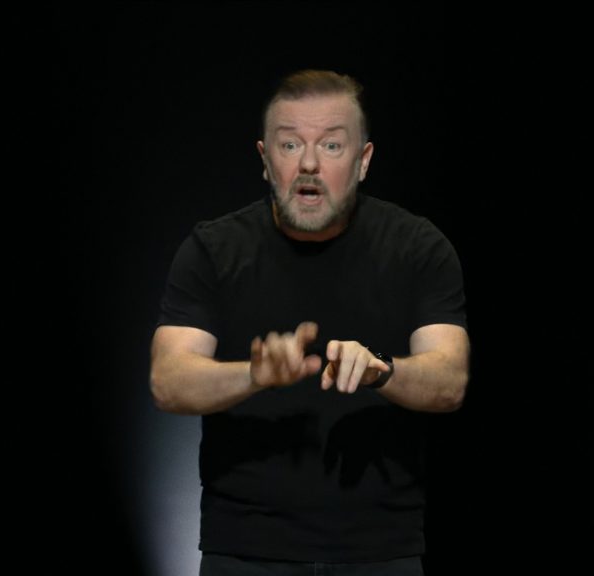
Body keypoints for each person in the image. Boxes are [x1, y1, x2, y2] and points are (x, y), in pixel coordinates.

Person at [150, 69, 469, 575]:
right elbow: (169, 381)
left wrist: (382, 370)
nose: (310, 164)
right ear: (264, 159)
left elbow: (450, 380)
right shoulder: (212, 251)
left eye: (333, 146)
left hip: (381, 551)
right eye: (291, 144)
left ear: (364, 161)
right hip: (246, 548)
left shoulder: (418, 248)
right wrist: (253, 374)